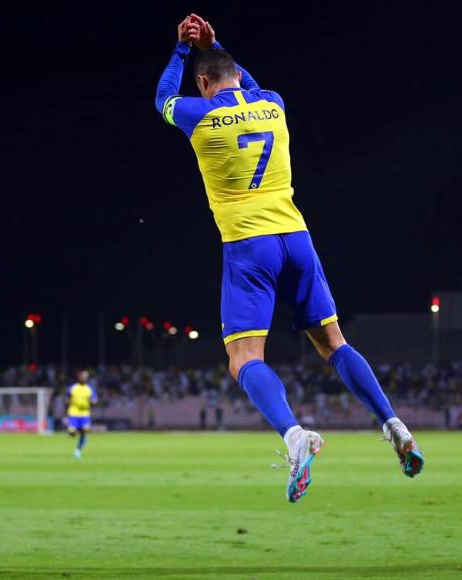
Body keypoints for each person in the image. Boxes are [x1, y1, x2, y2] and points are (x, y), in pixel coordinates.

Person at [155, 14, 424, 502]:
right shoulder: (273, 104)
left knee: (243, 359)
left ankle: (295, 436)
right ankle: (394, 424)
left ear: (202, 83)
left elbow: (162, 101)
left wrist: (181, 49)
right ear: (238, 76)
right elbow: (246, 83)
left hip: (248, 243)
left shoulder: (200, 114)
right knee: (334, 342)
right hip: (297, 236)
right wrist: (218, 46)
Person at [66, 370, 97, 459]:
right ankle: (75, 433)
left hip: (84, 413)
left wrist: (93, 402)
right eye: (82, 376)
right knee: (72, 432)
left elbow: (94, 399)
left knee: (85, 430)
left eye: (85, 377)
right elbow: (68, 397)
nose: (83, 378)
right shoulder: (73, 388)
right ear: (79, 377)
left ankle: (78, 450)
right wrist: (68, 402)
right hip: (74, 412)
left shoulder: (89, 389)